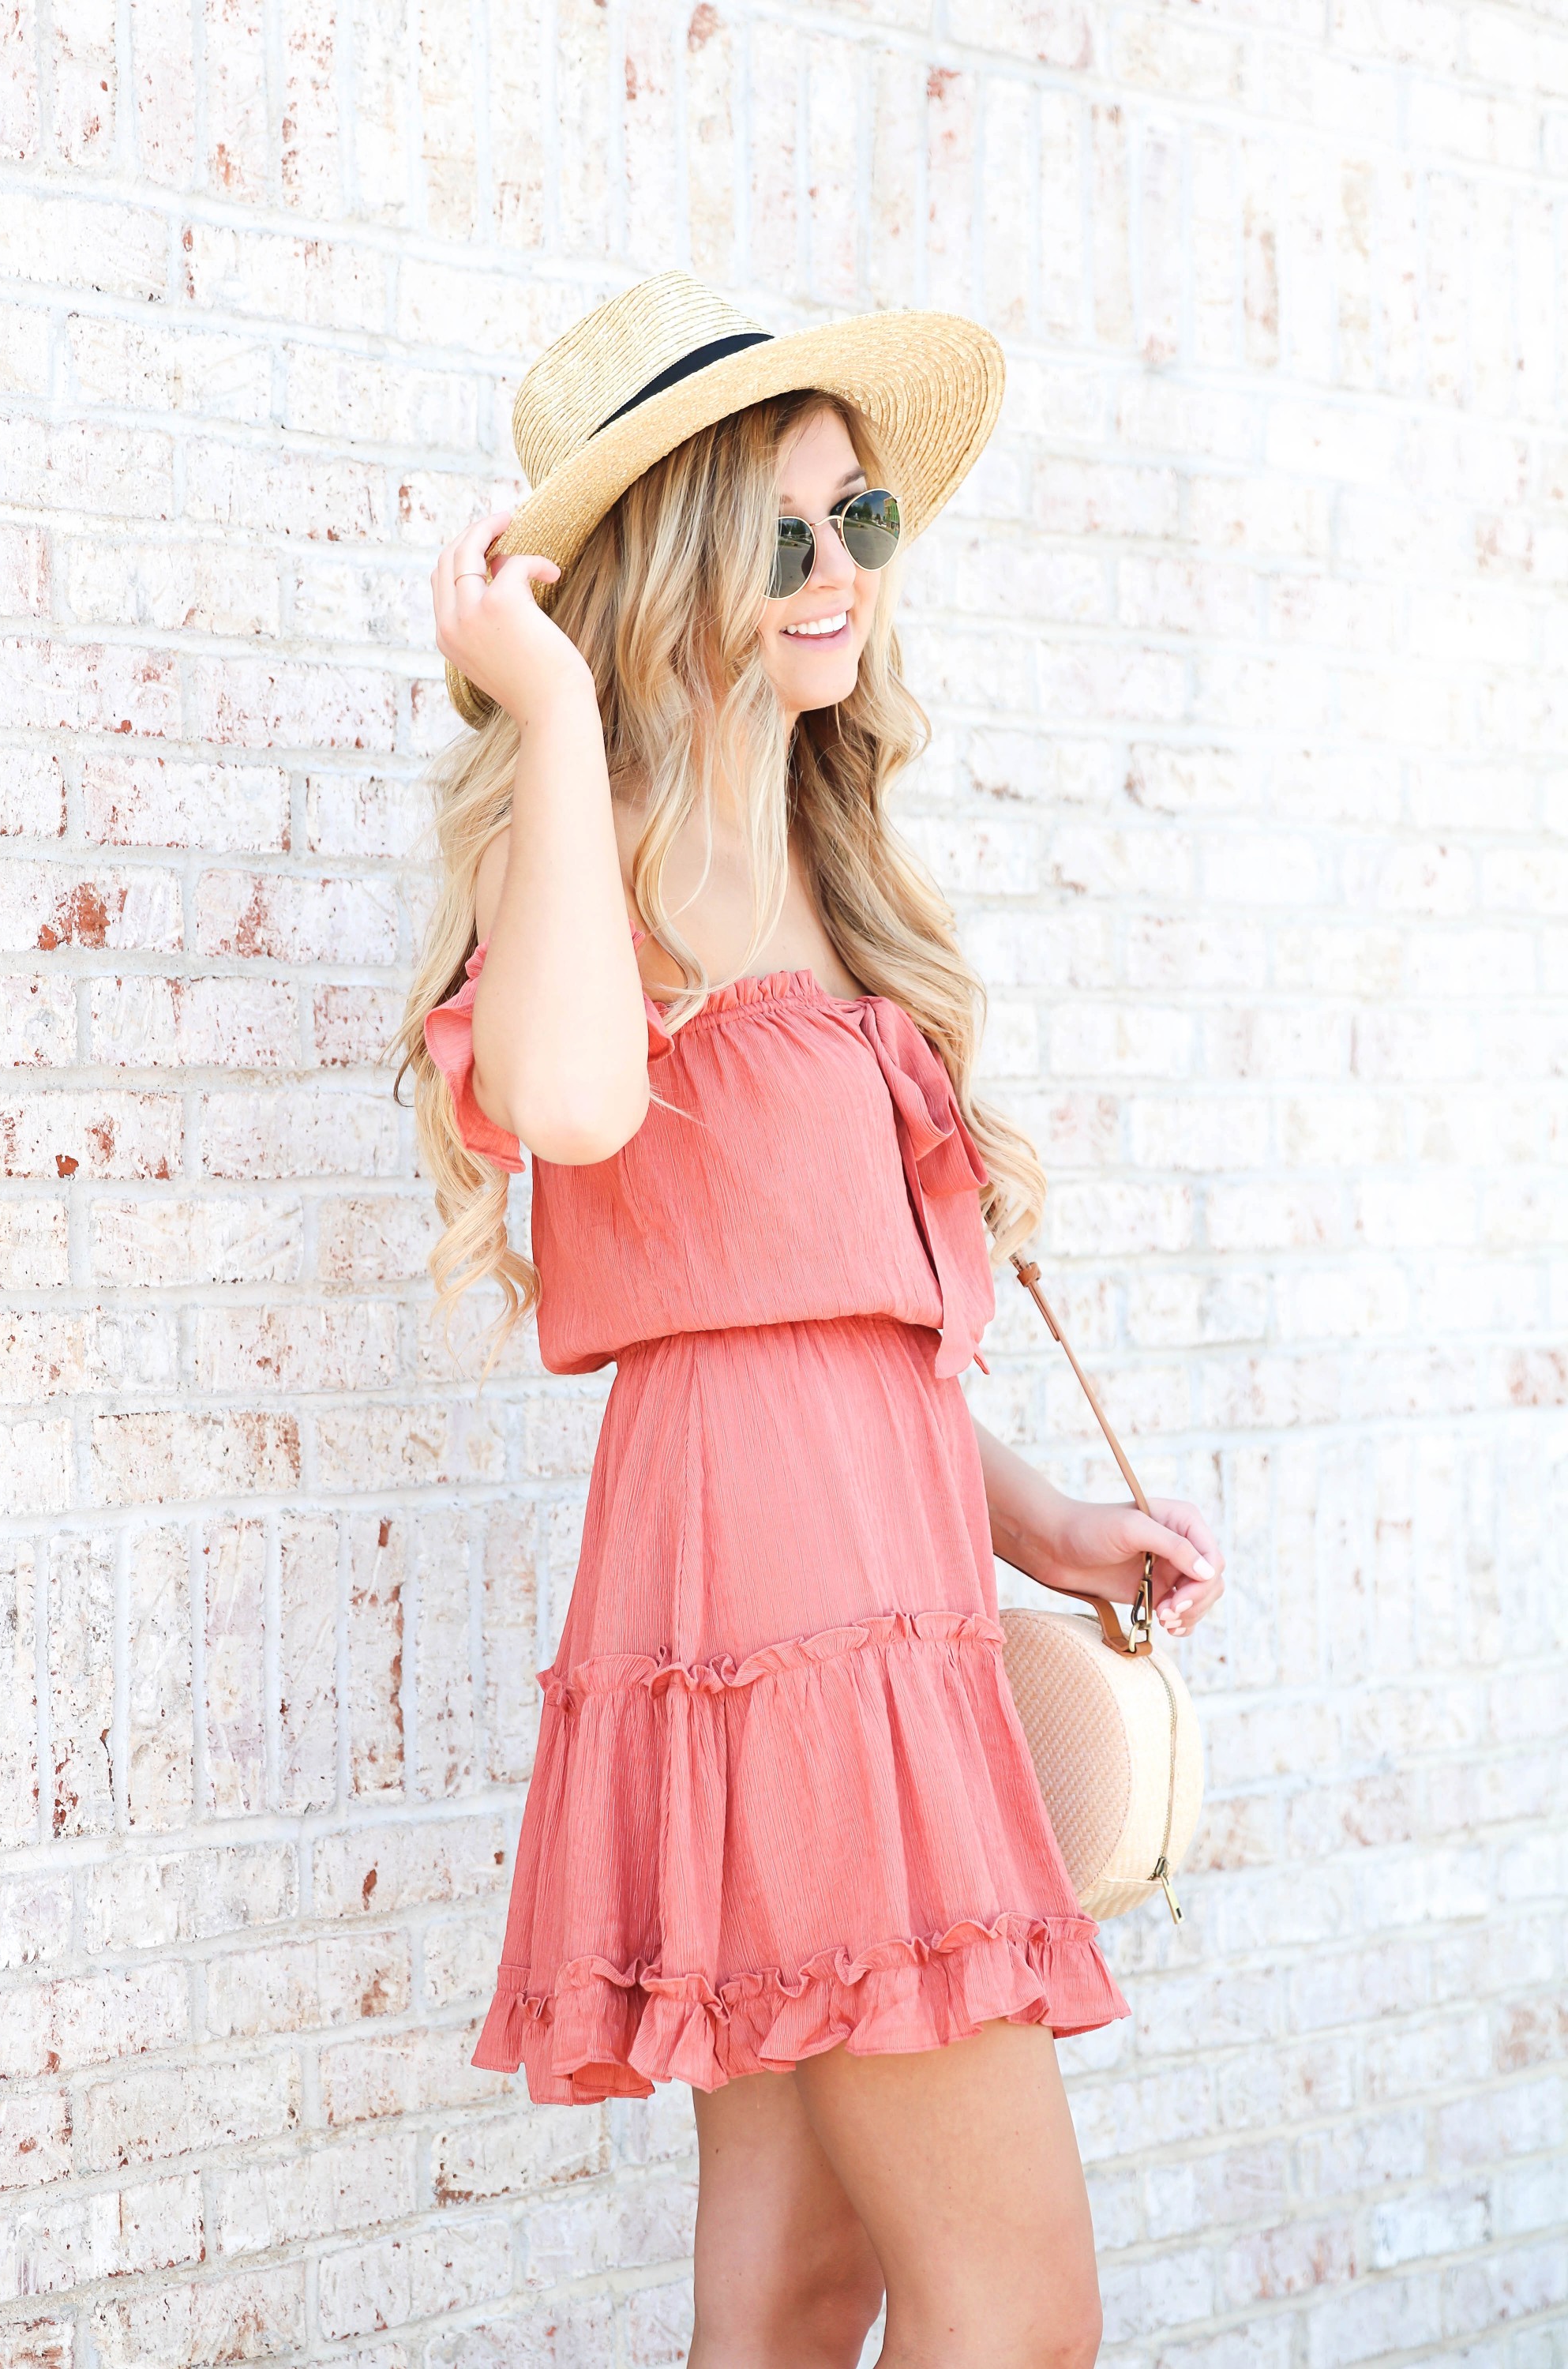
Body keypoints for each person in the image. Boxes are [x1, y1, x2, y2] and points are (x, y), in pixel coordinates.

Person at [399, 273, 1225, 2369]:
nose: (842, 569)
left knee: (793, 2289)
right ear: (683, 556)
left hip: (864, 1592)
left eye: (862, 519)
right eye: (784, 527)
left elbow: (840, 1335)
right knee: (1017, 2316)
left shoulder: (833, 886)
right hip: (783, 1625)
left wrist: (1042, 1523)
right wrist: (560, 716)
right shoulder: (603, 859)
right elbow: (570, 1106)